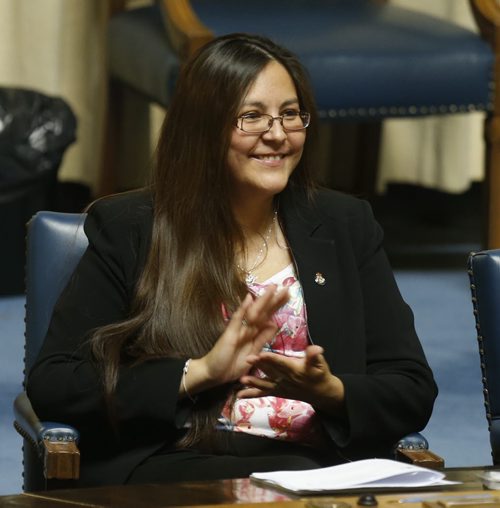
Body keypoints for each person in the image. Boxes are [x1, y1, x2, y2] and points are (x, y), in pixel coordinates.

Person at [27, 33, 437, 487]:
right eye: (253, 117)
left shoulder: (345, 224)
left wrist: (330, 391)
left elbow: (411, 388)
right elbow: (55, 383)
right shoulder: (131, 227)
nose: (278, 135)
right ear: (204, 128)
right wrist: (198, 373)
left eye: (289, 114)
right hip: (179, 469)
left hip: (317, 472)